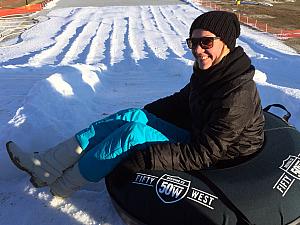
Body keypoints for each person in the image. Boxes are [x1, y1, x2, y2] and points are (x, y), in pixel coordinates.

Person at [6, 11, 265, 198]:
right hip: (201, 136)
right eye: (193, 42)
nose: (198, 50)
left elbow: (207, 154)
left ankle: (65, 185)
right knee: (131, 118)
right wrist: (141, 114)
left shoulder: (236, 94)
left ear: (226, 44)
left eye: (205, 42)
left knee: (133, 135)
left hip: (226, 158)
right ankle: (47, 166)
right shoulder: (210, 72)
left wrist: (147, 154)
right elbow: (182, 100)